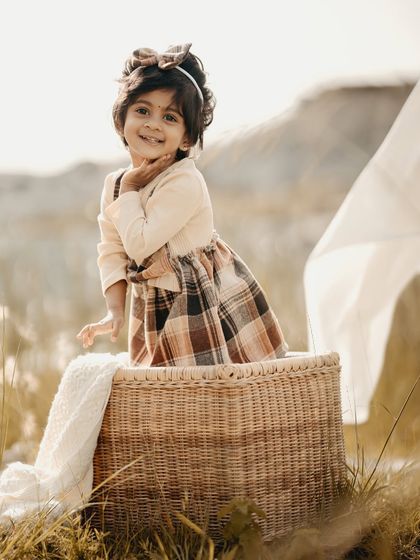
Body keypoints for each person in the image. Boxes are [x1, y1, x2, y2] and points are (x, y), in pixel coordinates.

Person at [77, 43, 288, 367]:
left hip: (197, 301)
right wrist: (114, 310)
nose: (153, 124)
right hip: (152, 303)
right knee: (163, 395)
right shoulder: (116, 184)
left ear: (187, 138)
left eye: (170, 117)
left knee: (207, 388)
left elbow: (140, 243)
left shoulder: (184, 182)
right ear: (122, 119)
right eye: (143, 111)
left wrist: (132, 189)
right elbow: (112, 248)